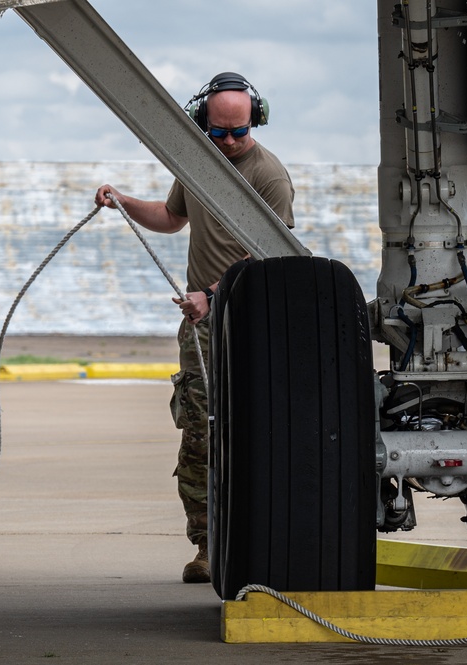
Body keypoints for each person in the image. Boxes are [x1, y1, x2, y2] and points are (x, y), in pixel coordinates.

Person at [94, 72, 295, 584]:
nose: (228, 143)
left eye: (239, 133)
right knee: (200, 435)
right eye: (218, 133)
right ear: (203, 125)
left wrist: (213, 294)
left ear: (257, 120)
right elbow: (169, 216)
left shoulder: (269, 175)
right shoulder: (197, 166)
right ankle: (207, 546)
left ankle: (268, 537)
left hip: (251, 317)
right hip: (201, 326)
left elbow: (273, 253)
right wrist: (122, 201)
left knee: (262, 432)